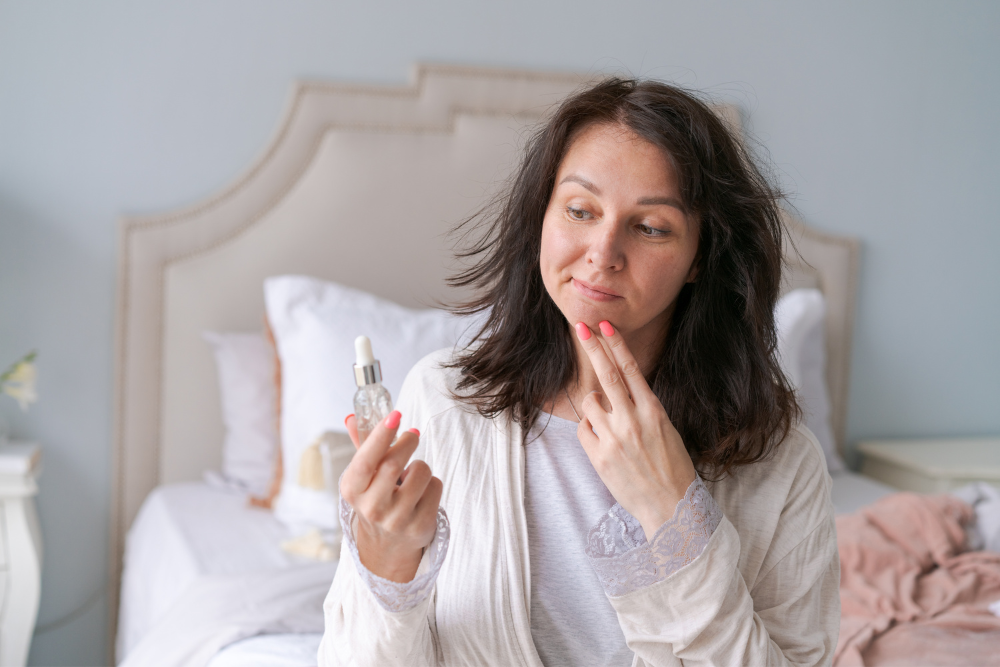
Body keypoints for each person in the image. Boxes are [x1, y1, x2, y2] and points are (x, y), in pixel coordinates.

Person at [319, 78, 839, 666]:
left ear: (700, 257)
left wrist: (676, 518)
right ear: (542, 214)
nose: (602, 252)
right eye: (580, 210)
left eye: (650, 227)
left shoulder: (781, 464)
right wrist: (386, 564)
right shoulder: (443, 402)